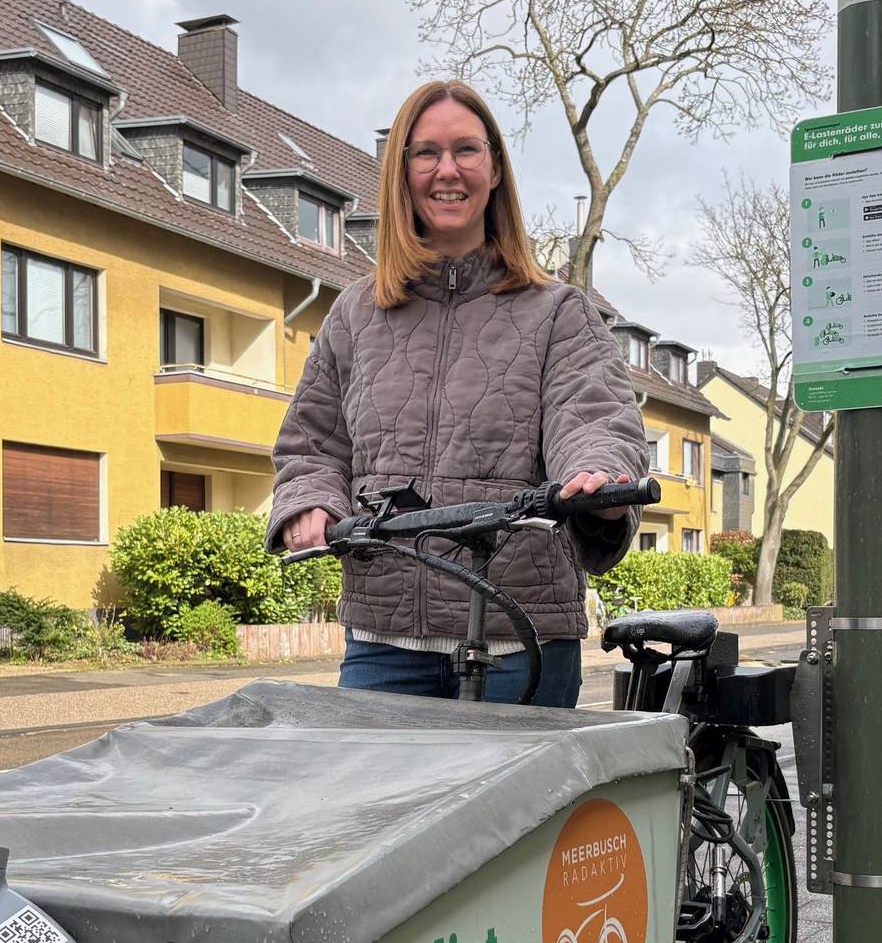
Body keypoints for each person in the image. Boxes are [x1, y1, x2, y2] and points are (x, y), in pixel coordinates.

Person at [268, 79, 647, 708]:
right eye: (426, 153)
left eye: (466, 150)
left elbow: (593, 415)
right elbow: (311, 443)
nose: (447, 170)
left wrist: (597, 476)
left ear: (494, 170)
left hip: (520, 641)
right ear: (402, 173)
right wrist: (311, 502)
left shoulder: (558, 312)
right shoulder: (355, 314)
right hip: (384, 643)